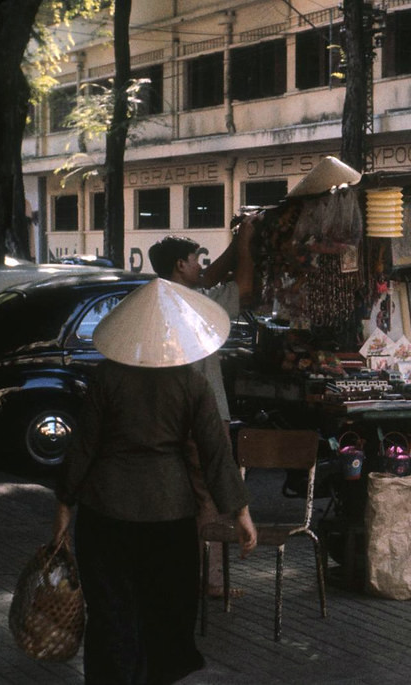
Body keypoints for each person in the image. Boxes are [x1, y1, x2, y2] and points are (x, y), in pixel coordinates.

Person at [51, 278, 257, 685]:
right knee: (164, 609)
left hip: (105, 511)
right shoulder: (192, 383)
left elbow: (83, 448)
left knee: (110, 612)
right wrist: (241, 511)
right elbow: (216, 452)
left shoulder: (106, 378)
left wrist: (62, 506)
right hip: (170, 512)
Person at [148, 221, 255, 598]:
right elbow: (243, 286)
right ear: (180, 265)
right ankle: (210, 582)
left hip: (167, 415)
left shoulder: (159, 298)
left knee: (181, 495)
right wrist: (244, 246)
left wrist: (236, 241)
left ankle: (180, 575)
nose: (200, 267)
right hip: (203, 413)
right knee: (211, 494)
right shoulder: (195, 302)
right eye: (195, 261)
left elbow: (210, 275)